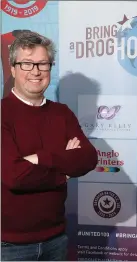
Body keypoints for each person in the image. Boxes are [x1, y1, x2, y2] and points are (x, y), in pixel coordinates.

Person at [1, 31, 98, 261]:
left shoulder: (62, 113)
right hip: (8, 245)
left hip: (57, 240)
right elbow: (14, 175)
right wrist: (62, 172)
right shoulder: (2, 113)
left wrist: (39, 159)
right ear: (13, 69)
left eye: (42, 64)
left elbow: (88, 158)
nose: (35, 71)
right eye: (27, 64)